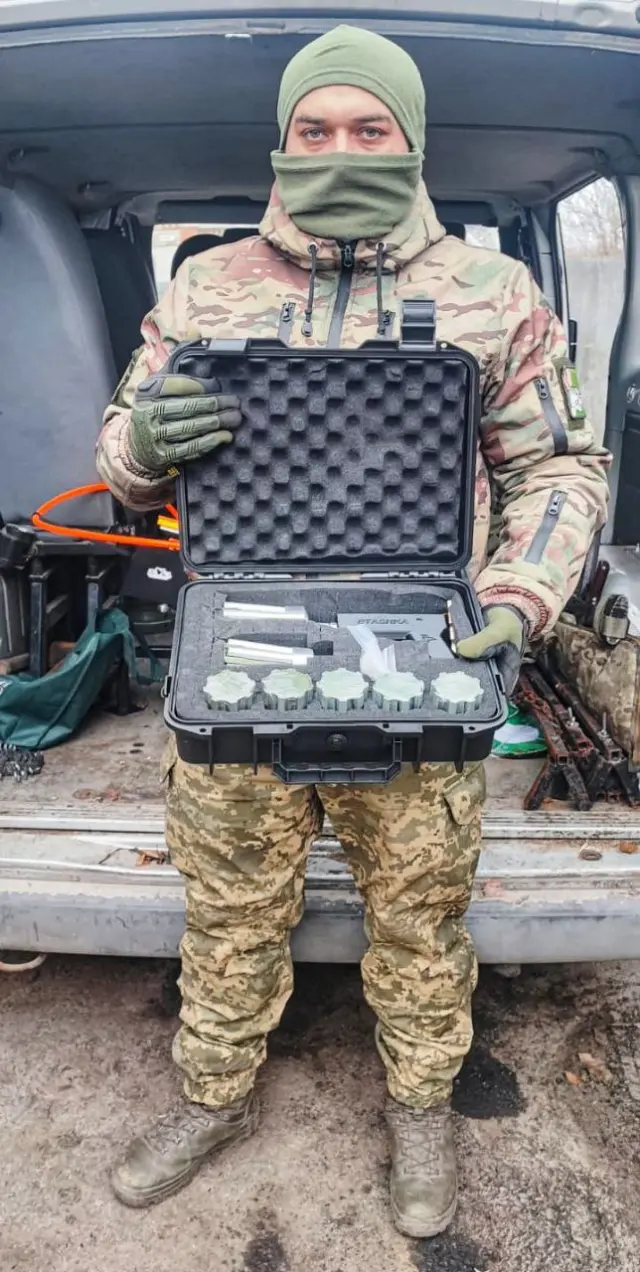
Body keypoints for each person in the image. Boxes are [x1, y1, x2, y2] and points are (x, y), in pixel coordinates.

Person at [97, 25, 609, 1235]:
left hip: (422, 631)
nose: (342, 148)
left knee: (422, 917)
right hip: (240, 624)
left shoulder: (494, 294)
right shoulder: (206, 286)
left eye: (369, 128)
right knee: (229, 911)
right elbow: (120, 455)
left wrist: (516, 599)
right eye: (315, 129)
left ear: (409, 139)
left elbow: (557, 470)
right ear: (281, 142)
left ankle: (421, 1108)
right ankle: (213, 1096)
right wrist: (142, 446)